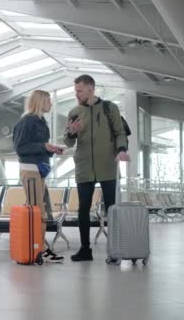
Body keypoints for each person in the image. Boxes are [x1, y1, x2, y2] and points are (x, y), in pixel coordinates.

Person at [64, 75, 130, 262]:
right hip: (84, 167)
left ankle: (115, 249)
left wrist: (122, 150)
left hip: (108, 166)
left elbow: (120, 133)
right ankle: (85, 249)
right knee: (83, 208)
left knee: (112, 209)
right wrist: (71, 133)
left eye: (79, 90)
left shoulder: (110, 108)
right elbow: (68, 141)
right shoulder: (75, 112)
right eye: (75, 90)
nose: (76, 94)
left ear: (91, 89)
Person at [13, 89, 65, 263]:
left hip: (39, 170)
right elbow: (21, 148)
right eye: (48, 101)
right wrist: (44, 146)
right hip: (30, 170)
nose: (51, 104)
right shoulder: (26, 122)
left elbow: (39, 147)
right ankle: (38, 249)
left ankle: (39, 246)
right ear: (40, 102)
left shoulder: (41, 122)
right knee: (37, 211)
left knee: (39, 210)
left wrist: (51, 149)